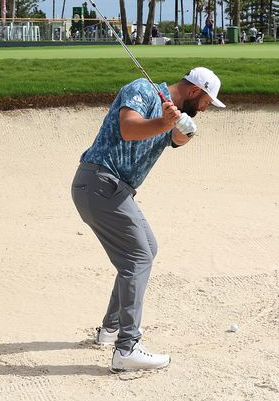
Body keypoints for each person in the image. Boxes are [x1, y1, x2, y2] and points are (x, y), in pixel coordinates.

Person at [72, 66, 225, 373]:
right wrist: (164, 121)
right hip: (101, 182)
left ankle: (111, 329)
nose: (206, 109)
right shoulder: (141, 89)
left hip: (114, 191)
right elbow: (129, 128)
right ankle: (126, 348)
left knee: (147, 249)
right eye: (207, 102)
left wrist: (182, 126)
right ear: (195, 92)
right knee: (137, 257)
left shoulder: (174, 113)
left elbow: (178, 139)